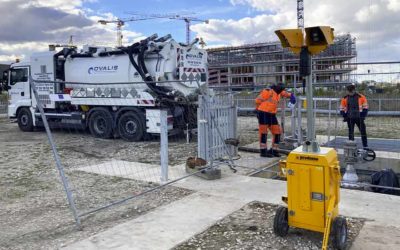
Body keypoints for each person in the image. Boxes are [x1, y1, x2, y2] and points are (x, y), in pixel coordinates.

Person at [255, 83, 296, 157]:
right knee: (263, 133)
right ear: (277, 88)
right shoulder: (268, 91)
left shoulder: (279, 92)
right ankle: (263, 151)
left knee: (277, 132)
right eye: (281, 89)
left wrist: (292, 96)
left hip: (272, 114)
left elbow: (286, 94)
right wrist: (257, 111)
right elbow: (258, 101)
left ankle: (274, 150)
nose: (281, 91)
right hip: (263, 113)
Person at [340, 83, 369, 149]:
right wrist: (345, 116)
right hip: (350, 119)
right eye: (348, 91)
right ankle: (351, 147)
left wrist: (362, 116)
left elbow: (365, 108)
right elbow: (341, 108)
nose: (349, 92)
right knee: (351, 133)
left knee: (363, 132)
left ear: (353, 90)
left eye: (350, 91)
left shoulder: (361, 97)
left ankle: (365, 146)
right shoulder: (344, 98)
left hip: (359, 118)